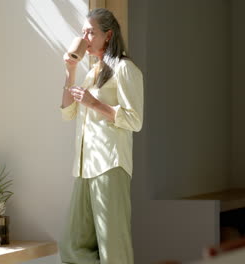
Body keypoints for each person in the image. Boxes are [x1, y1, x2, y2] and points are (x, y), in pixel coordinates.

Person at [59, 8, 144, 264]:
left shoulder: (124, 68)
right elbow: (67, 113)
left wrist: (94, 104)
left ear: (107, 35)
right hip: (85, 166)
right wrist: (70, 70)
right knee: (71, 245)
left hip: (110, 165)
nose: (85, 37)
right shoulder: (91, 72)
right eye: (83, 32)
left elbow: (135, 120)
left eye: (90, 32)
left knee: (113, 247)